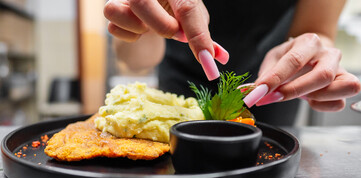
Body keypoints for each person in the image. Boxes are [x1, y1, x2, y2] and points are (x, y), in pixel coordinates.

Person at [103, 0, 361, 125]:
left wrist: (313, 53)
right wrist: (146, 23)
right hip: (177, 94)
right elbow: (133, 60)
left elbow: (317, 31)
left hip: (270, 85)